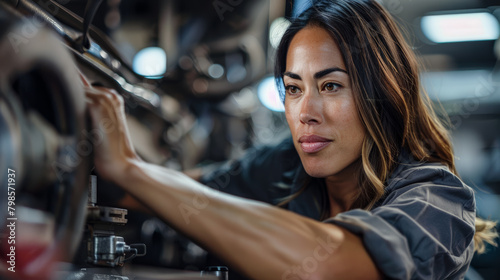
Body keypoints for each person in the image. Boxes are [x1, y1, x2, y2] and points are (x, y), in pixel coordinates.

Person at [84, 0, 497, 279]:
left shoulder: (440, 200)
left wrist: (132, 169)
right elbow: (179, 193)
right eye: (294, 89)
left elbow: (331, 265)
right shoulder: (285, 163)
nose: (305, 112)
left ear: (383, 93)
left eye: (331, 86)